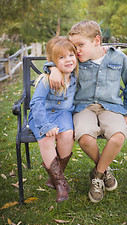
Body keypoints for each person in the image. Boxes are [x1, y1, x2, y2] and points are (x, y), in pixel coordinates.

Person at [44, 20, 127, 203]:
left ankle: (98, 175)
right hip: (83, 107)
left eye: (80, 45)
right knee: (85, 138)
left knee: (118, 136)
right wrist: (52, 68)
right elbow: (57, 58)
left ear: (96, 40)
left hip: (111, 107)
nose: (77, 51)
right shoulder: (77, 60)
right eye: (74, 46)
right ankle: (105, 169)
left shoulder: (118, 57)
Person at [28, 36, 78, 202]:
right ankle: (60, 183)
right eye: (61, 58)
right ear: (53, 61)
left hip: (63, 113)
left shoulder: (76, 74)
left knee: (67, 134)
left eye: (71, 55)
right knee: (47, 139)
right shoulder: (47, 79)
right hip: (42, 114)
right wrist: (45, 125)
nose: (68, 60)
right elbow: (36, 104)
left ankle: (55, 176)